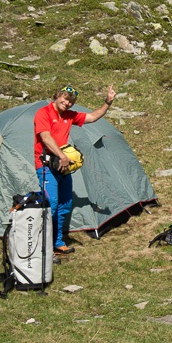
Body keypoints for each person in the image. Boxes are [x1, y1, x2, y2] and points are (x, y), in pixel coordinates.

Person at [34, 84, 116, 255]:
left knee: (65, 204)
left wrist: (108, 102)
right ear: (57, 96)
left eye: (71, 101)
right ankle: (43, 246)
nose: (67, 103)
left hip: (62, 165)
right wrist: (62, 156)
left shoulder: (70, 116)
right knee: (52, 205)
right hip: (47, 165)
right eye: (65, 99)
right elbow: (46, 137)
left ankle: (57, 243)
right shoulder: (44, 113)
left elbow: (93, 117)